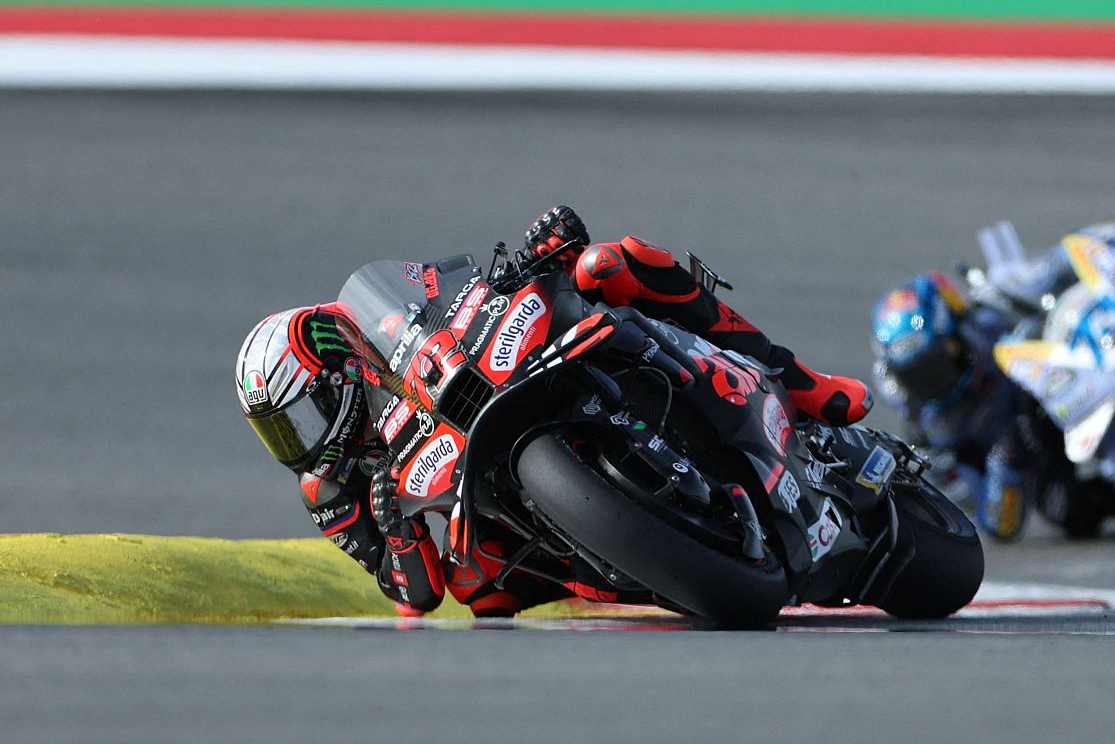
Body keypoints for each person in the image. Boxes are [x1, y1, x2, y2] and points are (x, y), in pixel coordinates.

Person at [235, 206, 872, 617]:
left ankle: (800, 381)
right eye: (278, 432)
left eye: (302, 417)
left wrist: (539, 255)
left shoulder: (386, 320)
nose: (299, 442)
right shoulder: (329, 489)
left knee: (610, 264)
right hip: (476, 485)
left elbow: (454, 288)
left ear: (341, 368)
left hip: (500, 374)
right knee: (478, 588)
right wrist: (396, 534)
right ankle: (638, 567)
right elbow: (415, 596)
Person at [871, 201, 1115, 542]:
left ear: (956, 334)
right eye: (914, 376)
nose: (930, 383)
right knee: (1064, 509)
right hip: (1047, 444)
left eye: (934, 365)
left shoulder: (994, 306)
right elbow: (998, 522)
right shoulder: (932, 438)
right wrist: (1009, 454)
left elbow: (1060, 261)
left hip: (1092, 359)